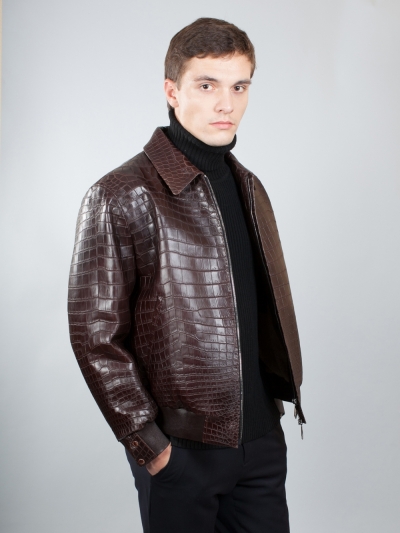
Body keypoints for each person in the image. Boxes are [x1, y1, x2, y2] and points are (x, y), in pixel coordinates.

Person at [68, 17, 305, 533]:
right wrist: (150, 446)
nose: (226, 104)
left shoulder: (249, 186)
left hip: (261, 443)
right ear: (172, 92)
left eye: (239, 86)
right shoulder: (121, 193)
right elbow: (94, 336)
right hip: (182, 453)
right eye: (207, 85)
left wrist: (270, 427)